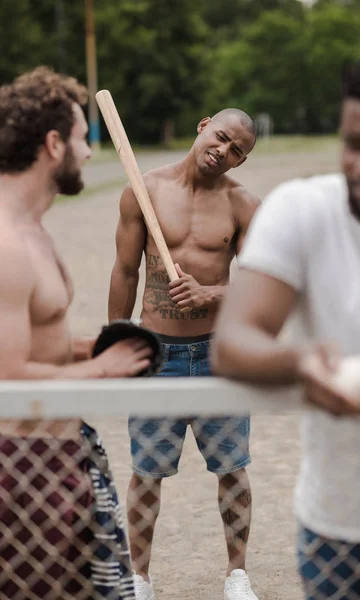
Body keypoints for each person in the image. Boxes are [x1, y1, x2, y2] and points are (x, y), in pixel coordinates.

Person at [212, 54, 360, 600]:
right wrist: (300, 361)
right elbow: (235, 340)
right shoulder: (302, 209)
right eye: (355, 143)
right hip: (336, 529)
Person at [0, 66, 156, 600]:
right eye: (81, 137)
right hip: (21, 470)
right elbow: (7, 374)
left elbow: (28, 341)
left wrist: (88, 349)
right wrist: (99, 370)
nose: (89, 152)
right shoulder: (6, 243)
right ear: (51, 144)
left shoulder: (31, 229)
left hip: (64, 455)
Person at [109, 108, 260, 599]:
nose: (224, 151)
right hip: (156, 354)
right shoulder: (144, 189)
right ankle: (140, 579)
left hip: (220, 355)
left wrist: (212, 293)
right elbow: (125, 270)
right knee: (146, 474)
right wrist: (117, 339)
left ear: (240, 161)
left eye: (237, 150)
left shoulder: (242, 206)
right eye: (221, 137)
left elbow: (263, 287)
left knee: (233, 471)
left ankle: (236, 576)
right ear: (202, 126)